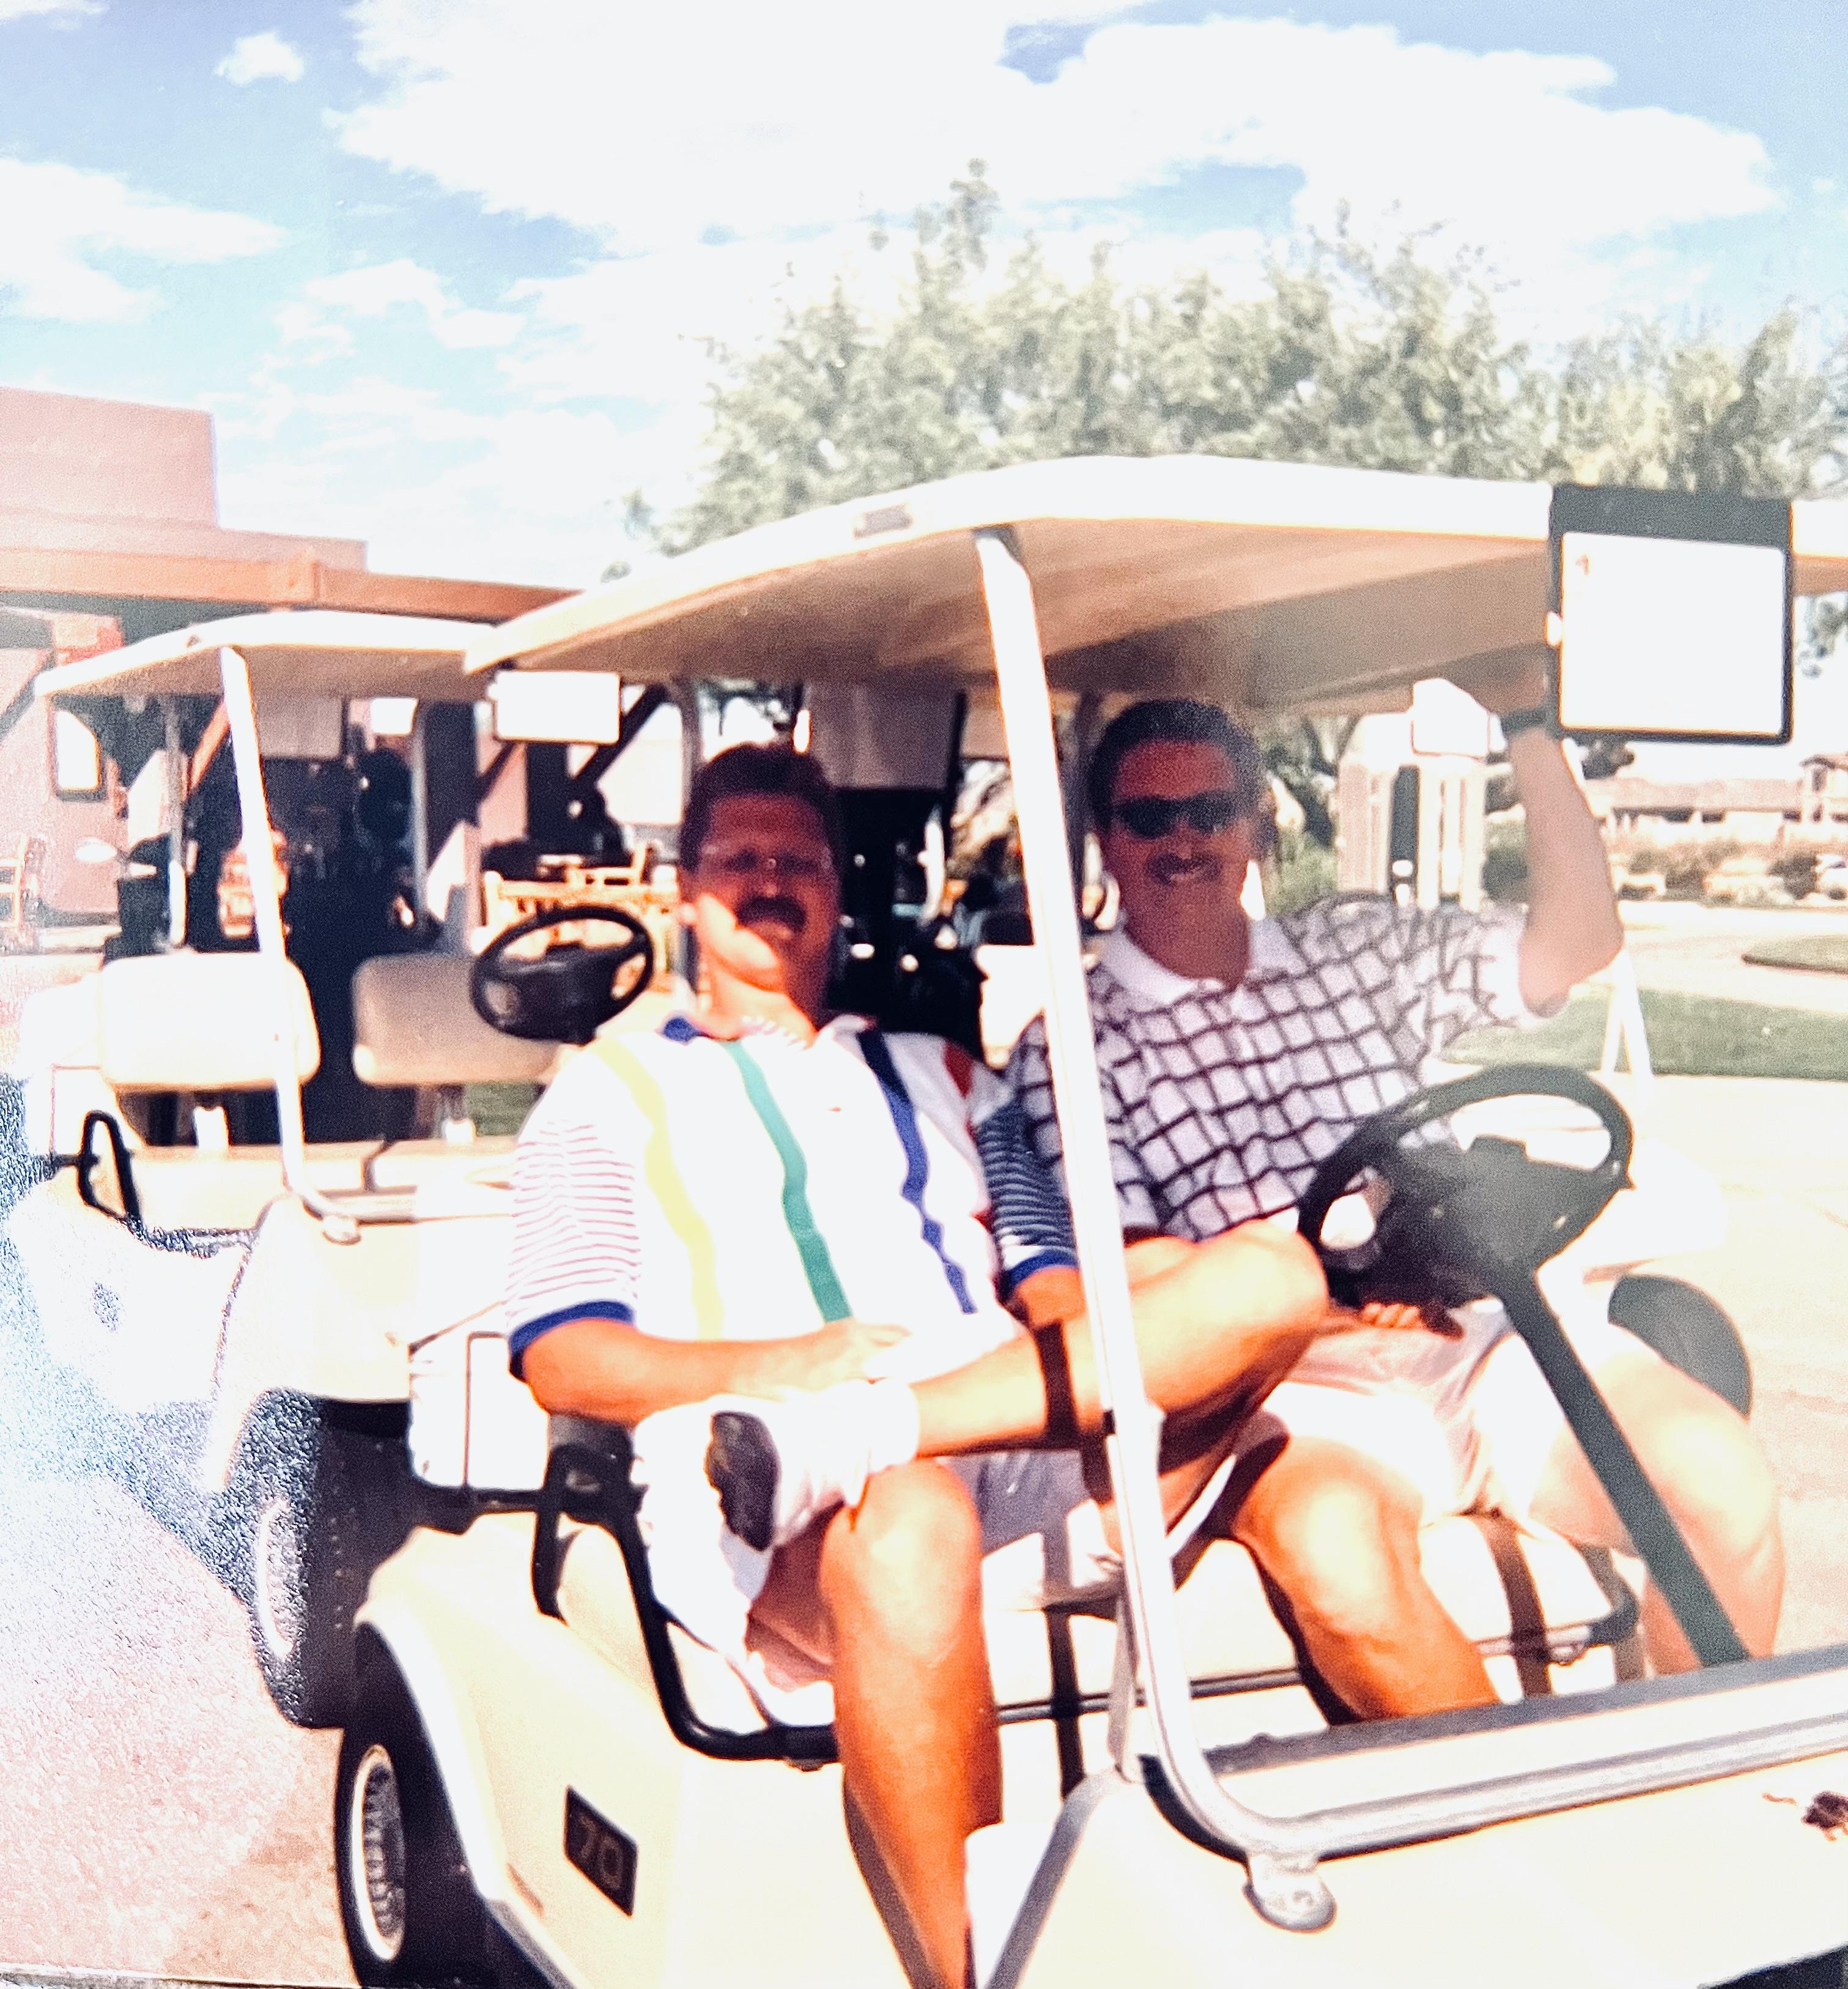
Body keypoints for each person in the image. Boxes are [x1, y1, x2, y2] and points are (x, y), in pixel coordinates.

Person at [503, 740, 1447, 1989]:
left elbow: (1054, 1276)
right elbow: (565, 1362)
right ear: (685, 885)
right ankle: (975, 1974)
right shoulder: (602, 1095)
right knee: (911, 1520)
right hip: (771, 1454)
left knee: (1271, 1281)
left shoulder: (948, 1071)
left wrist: (1271, 1314)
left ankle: (1527, 1866)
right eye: (741, 862)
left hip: (1006, 1411)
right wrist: (792, 1362)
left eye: (800, 861)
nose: (771, 884)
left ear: (839, 887)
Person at [1009, 682, 1784, 1719]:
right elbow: (1142, 1274)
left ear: (1257, 828)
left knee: (1721, 1486)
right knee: (1336, 1557)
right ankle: (1515, 1830)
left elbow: (1576, 941)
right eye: (1149, 818)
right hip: (1296, 1385)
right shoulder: (1072, 1044)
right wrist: (1335, 1307)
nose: (1183, 840)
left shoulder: (1352, 948)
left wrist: (1526, 726)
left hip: (1481, 1335)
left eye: (1212, 812)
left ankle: (1693, 1812)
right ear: (1105, 839)